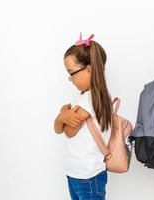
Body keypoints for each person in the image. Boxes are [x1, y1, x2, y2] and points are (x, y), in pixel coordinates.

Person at [54, 33, 112, 200]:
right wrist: (62, 117)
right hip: (76, 172)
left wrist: (62, 115)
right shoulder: (83, 97)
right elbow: (58, 128)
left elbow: (69, 132)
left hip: (88, 175)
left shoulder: (91, 98)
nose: (70, 79)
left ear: (89, 70)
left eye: (71, 73)